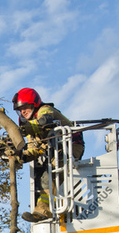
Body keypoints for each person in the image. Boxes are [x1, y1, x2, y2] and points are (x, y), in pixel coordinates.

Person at [12, 87, 84, 222]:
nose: (23, 111)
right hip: (56, 151)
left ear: (34, 103)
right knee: (44, 175)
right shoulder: (29, 125)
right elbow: (34, 150)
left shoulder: (45, 110)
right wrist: (19, 156)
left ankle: (43, 212)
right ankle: (46, 209)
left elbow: (45, 122)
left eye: (25, 107)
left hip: (72, 146)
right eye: (20, 109)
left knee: (51, 172)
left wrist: (21, 130)